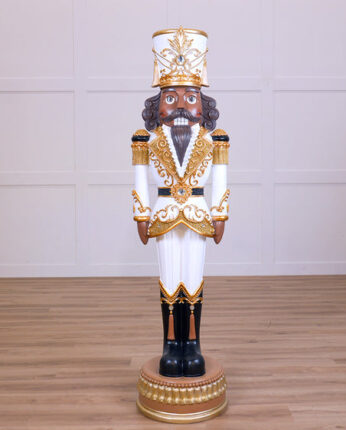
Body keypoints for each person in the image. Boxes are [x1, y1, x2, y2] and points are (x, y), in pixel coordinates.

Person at [131, 27, 230, 377]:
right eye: (171, 98)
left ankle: (194, 345)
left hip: (200, 216)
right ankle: (171, 346)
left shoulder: (216, 139)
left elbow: (221, 180)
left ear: (203, 105)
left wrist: (220, 215)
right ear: (157, 106)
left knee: (194, 279)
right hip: (163, 215)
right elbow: (140, 180)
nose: (182, 106)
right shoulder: (145, 140)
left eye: (190, 97)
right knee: (169, 280)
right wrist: (141, 215)